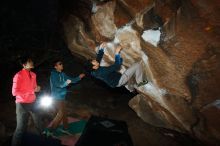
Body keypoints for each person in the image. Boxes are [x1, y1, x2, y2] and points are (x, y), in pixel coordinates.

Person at [11, 56, 42, 146]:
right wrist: (32, 90)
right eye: (29, 61)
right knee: (20, 128)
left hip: (33, 102)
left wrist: (37, 88)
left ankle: (44, 139)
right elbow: (14, 92)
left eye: (31, 60)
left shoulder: (33, 75)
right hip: (22, 104)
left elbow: (34, 87)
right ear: (24, 65)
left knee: (39, 123)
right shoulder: (18, 75)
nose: (32, 62)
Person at [49, 60, 85, 130]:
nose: (62, 65)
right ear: (55, 67)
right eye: (60, 64)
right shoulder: (54, 74)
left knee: (64, 112)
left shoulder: (63, 74)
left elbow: (72, 80)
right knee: (61, 113)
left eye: (62, 63)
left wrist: (79, 77)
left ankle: (65, 128)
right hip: (56, 97)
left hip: (62, 97)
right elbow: (57, 84)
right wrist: (65, 83)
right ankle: (51, 130)